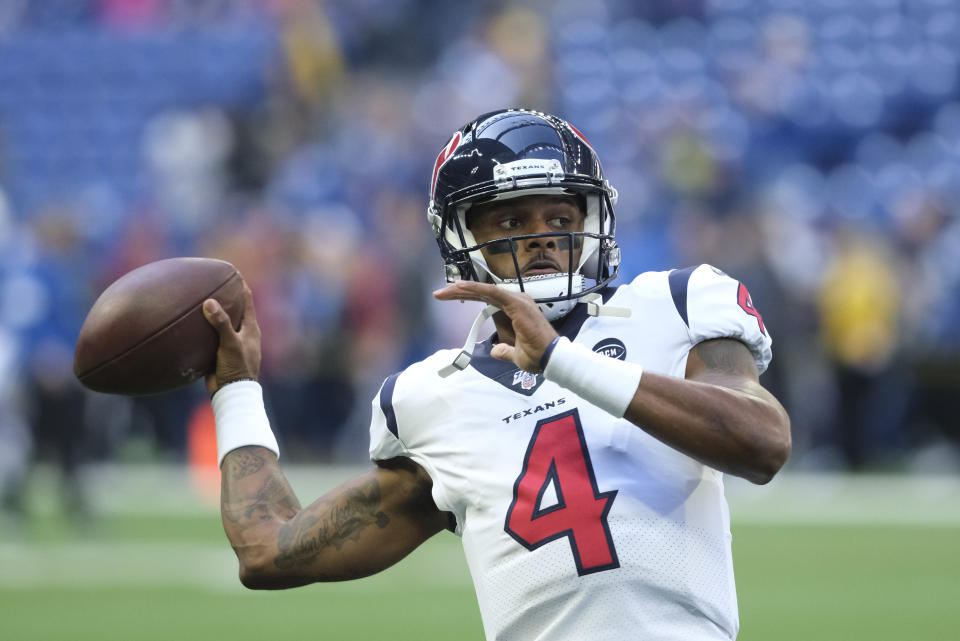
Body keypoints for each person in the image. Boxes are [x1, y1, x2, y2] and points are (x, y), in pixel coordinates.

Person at [202, 109, 791, 640]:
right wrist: (235, 389)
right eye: (509, 221)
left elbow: (762, 442)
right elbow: (267, 551)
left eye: (560, 215)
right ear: (463, 240)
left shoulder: (677, 302)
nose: (540, 236)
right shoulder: (431, 398)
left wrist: (561, 360)